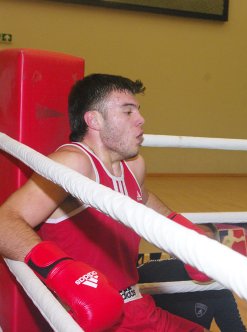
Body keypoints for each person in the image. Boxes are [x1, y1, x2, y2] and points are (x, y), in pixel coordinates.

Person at [0, 74, 210, 331]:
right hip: (89, 314)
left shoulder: (134, 165)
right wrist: (63, 274)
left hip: (138, 308)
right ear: (94, 120)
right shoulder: (73, 164)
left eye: (138, 111)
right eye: (128, 111)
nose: (140, 120)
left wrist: (185, 233)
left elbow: (140, 199)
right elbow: (4, 222)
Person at [138, 224, 247, 332]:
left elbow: (234, 328)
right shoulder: (150, 272)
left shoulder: (218, 286)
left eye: (209, 244)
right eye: (197, 241)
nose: (203, 249)